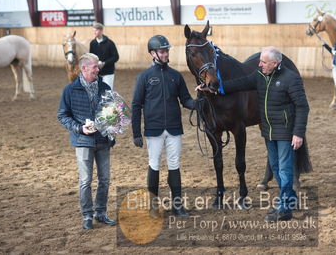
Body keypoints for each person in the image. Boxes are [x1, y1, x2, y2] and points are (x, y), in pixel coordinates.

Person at [197, 46, 310, 221]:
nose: (260, 64)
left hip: (285, 130)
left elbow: (303, 107)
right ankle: (290, 198)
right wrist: (213, 89)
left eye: (263, 62)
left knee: (284, 169)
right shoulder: (259, 76)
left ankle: (285, 207)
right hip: (268, 130)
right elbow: (238, 84)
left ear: (275, 63)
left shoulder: (291, 79)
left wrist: (298, 133)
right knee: (275, 166)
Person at [132, 35, 196, 218]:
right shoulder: (144, 77)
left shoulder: (176, 76)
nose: (166, 54)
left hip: (174, 128)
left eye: (167, 50)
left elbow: (185, 100)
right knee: (154, 165)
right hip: (154, 130)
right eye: (162, 51)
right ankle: (153, 206)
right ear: (153, 53)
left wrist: (198, 102)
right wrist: (136, 133)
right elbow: (136, 105)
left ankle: (177, 205)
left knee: (174, 165)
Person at [57, 53, 116, 230]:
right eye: (95, 67)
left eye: (98, 67)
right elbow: (62, 116)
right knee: (85, 180)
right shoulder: (70, 90)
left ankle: (101, 213)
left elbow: (112, 114)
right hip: (83, 140)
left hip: (103, 140)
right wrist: (78, 128)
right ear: (84, 68)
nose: (98, 69)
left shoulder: (105, 87)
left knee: (104, 180)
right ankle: (87, 215)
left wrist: (113, 122)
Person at [89, 22, 119, 90]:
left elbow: (116, 57)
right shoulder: (92, 43)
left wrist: (105, 63)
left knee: (107, 92)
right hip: (97, 72)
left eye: (96, 30)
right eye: (93, 31)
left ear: (101, 30)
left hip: (108, 72)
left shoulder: (110, 43)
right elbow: (91, 56)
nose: (94, 32)